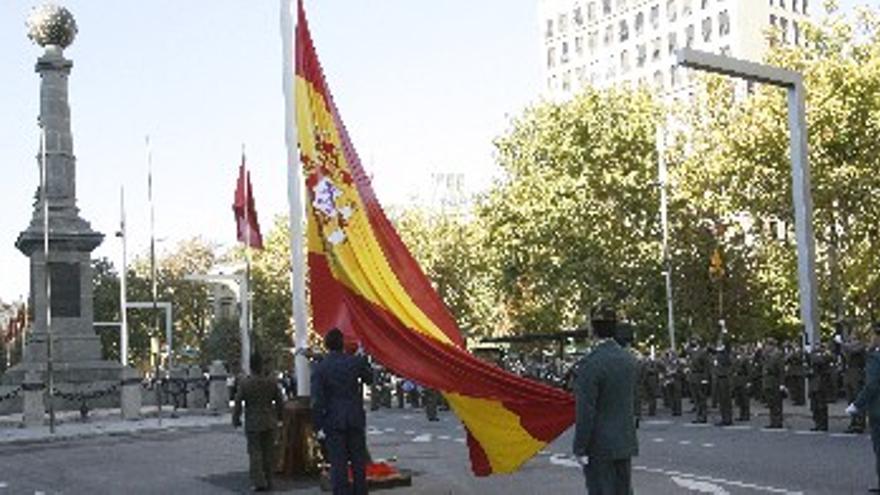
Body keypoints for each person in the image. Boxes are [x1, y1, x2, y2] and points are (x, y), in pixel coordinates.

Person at [573, 306, 639, 494]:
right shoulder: (628, 359)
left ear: (593, 330)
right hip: (624, 440)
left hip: (600, 446)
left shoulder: (591, 363)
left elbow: (586, 411)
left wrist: (580, 447)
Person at [311, 328, 373, 495]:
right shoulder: (354, 362)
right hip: (354, 417)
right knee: (358, 463)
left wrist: (317, 426)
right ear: (342, 343)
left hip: (333, 420)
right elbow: (370, 378)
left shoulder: (320, 368)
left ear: (326, 345)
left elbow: (317, 400)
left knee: (338, 465)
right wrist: (363, 357)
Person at [232, 352, 285, 492]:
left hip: (253, 421)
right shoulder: (272, 382)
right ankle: (269, 477)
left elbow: (238, 403)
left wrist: (236, 419)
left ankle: (259, 481)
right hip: (269, 420)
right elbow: (280, 402)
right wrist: (281, 417)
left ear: (250, 366)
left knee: (255, 451)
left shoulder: (245, 383)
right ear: (262, 365)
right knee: (269, 451)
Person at [847, 323, 880, 493]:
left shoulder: (875, 357)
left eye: (872, 335)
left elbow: (872, 385)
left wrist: (857, 405)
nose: (870, 339)